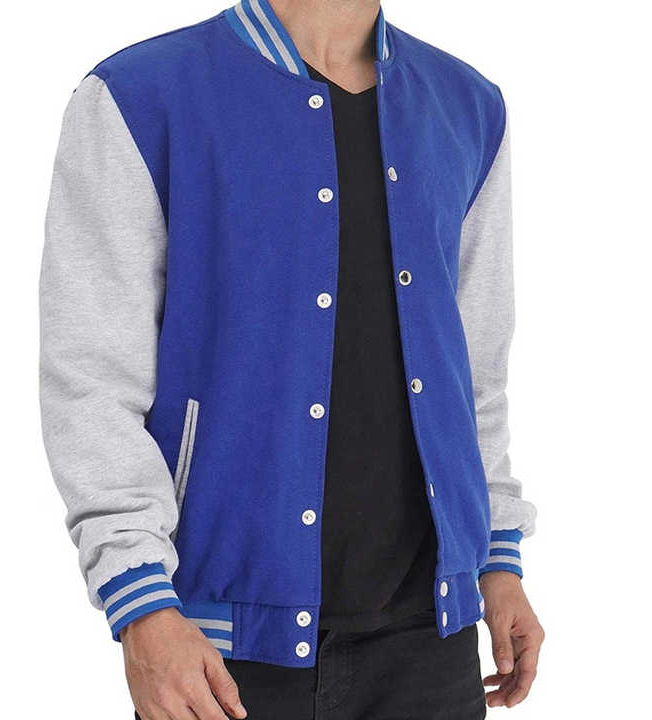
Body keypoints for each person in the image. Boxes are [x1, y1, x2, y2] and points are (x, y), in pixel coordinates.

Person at [40, 1, 544, 718]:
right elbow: (91, 376)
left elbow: (475, 371)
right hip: (216, 647)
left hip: (431, 643)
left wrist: (495, 558)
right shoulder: (141, 96)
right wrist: (139, 598)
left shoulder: (467, 106)